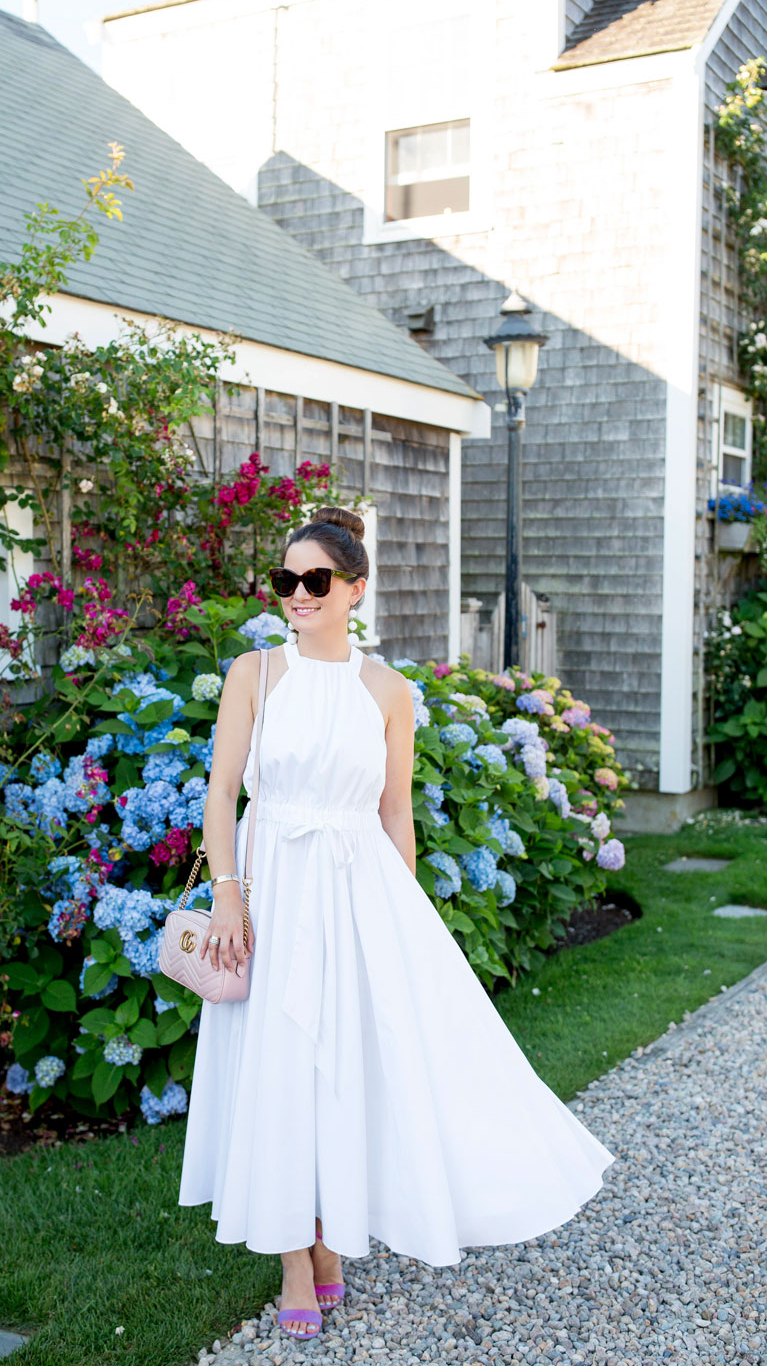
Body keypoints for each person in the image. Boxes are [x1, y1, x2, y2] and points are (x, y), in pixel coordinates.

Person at [178, 507, 616, 1340]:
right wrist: (229, 892)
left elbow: (395, 813)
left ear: (354, 590)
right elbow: (220, 794)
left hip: (358, 894)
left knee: (347, 1066)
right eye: (285, 580)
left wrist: (405, 919)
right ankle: (294, 1261)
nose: (297, 595)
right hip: (271, 887)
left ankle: (335, 1232)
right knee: (281, 1067)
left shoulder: (387, 690)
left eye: (315, 581)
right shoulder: (254, 675)